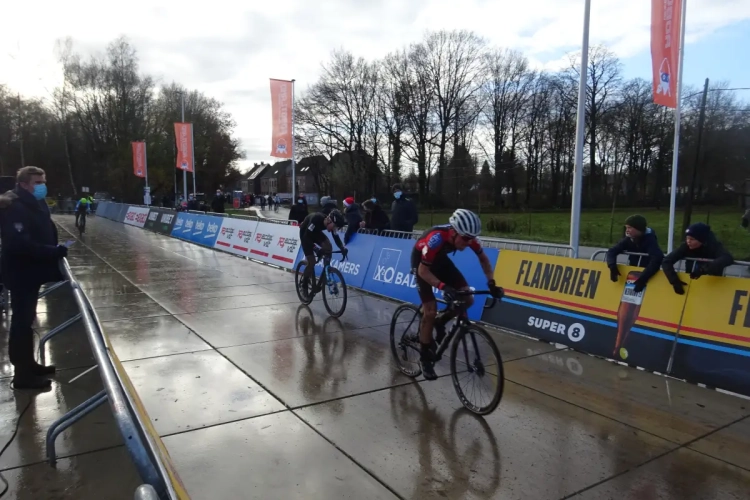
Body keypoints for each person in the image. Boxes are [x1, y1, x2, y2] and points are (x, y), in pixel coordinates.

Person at [411, 209, 502, 381]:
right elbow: (423, 270)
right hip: (421, 263)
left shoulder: (470, 239)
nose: (469, 243)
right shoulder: (436, 238)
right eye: (466, 239)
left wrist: (491, 282)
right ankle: (424, 357)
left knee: (468, 298)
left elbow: (483, 259)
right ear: (453, 232)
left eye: (471, 239)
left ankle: (441, 321)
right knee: (429, 311)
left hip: (441, 261)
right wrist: (443, 286)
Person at [0, 166, 68, 389]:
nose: (42, 185)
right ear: (23, 184)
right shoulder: (15, 207)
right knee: (21, 322)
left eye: (43, 180)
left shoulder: (34, 203)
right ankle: (22, 374)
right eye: (37, 182)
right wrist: (52, 251)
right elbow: (19, 243)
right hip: (21, 273)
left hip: (32, 272)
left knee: (27, 320)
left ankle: (29, 364)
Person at [662, 222, 734, 295]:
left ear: (701, 240)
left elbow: (727, 257)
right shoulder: (686, 246)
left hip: (713, 286)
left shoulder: (714, 247)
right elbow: (667, 261)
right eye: (687, 238)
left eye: (692, 239)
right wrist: (674, 281)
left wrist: (703, 269)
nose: (688, 241)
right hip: (691, 285)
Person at [605, 215, 664, 292]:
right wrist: (612, 266)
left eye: (629, 228)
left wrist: (643, 279)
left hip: (648, 275)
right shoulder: (629, 239)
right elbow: (612, 251)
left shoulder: (650, 240)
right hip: (633, 272)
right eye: (626, 227)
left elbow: (657, 258)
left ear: (638, 228)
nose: (627, 230)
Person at [299, 209, 348, 297]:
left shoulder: (330, 223)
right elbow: (306, 238)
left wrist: (342, 248)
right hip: (305, 234)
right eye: (335, 226)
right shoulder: (316, 219)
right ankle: (304, 285)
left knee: (328, 246)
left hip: (316, 233)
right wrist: (316, 249)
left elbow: (336, 237)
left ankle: (327, 269)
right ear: (329, 220)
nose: (334, 229)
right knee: (312, 262)